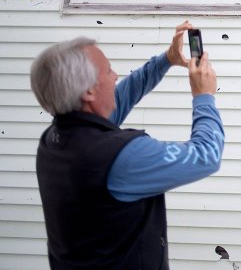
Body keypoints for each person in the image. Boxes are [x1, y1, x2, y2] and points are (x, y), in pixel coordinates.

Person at [31, 21, 223, 269]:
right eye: (109, 70)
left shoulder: (54, 140)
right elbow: (207, 155)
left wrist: (166, 60)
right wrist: (203, 96)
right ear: (88, 92)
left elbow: (119, 98)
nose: (115, 76)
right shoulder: (122, 157)